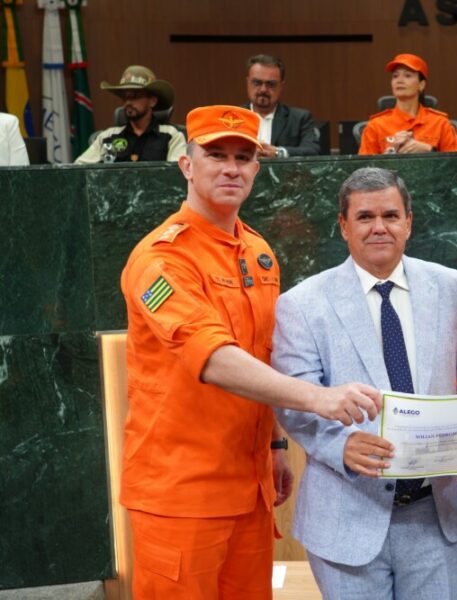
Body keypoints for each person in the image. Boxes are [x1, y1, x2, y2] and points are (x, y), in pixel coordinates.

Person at [119, 105, 381, 599]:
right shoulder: (161, 258)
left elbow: (263, 354)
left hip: (249, 488)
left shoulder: (258, 253)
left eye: (244, 156)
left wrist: (276, 445)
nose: (231, 167)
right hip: (182, 494)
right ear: (187, 165)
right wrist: (318, 398)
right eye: (216, 155)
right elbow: (214, 357)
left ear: (257, 169)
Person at [272, 167, 457, 600]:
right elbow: (293, 402)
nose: (379, 227)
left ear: (409, 222)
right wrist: (340, 446)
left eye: (390, 215)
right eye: (365, 217)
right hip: (346, 515)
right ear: (343, 226)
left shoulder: (451, 286)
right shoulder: (301, 304)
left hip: (435, 516)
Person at [75, 65, 186, 164]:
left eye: (135, 96)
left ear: (152, 101)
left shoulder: (172, 136)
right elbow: (78, 171)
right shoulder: (107, 137)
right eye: (125, 97)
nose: (128, 102)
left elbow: (176, 175)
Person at [358, 53, 457, 155]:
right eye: (395, 76)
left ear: (421, 85)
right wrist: (389, 154)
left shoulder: (440, 123)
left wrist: (430, 150)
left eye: (408, 75)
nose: (399, 80)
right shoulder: (375, 126)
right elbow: (363, 170)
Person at [244, 54, 320, 157]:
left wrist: (278, 152)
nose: (263, 89)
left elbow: (312, 151)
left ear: (281, 86)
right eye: (257, 83)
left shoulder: (299, 119)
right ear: (248, 82)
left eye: (271, 84)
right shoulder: (233, 117)